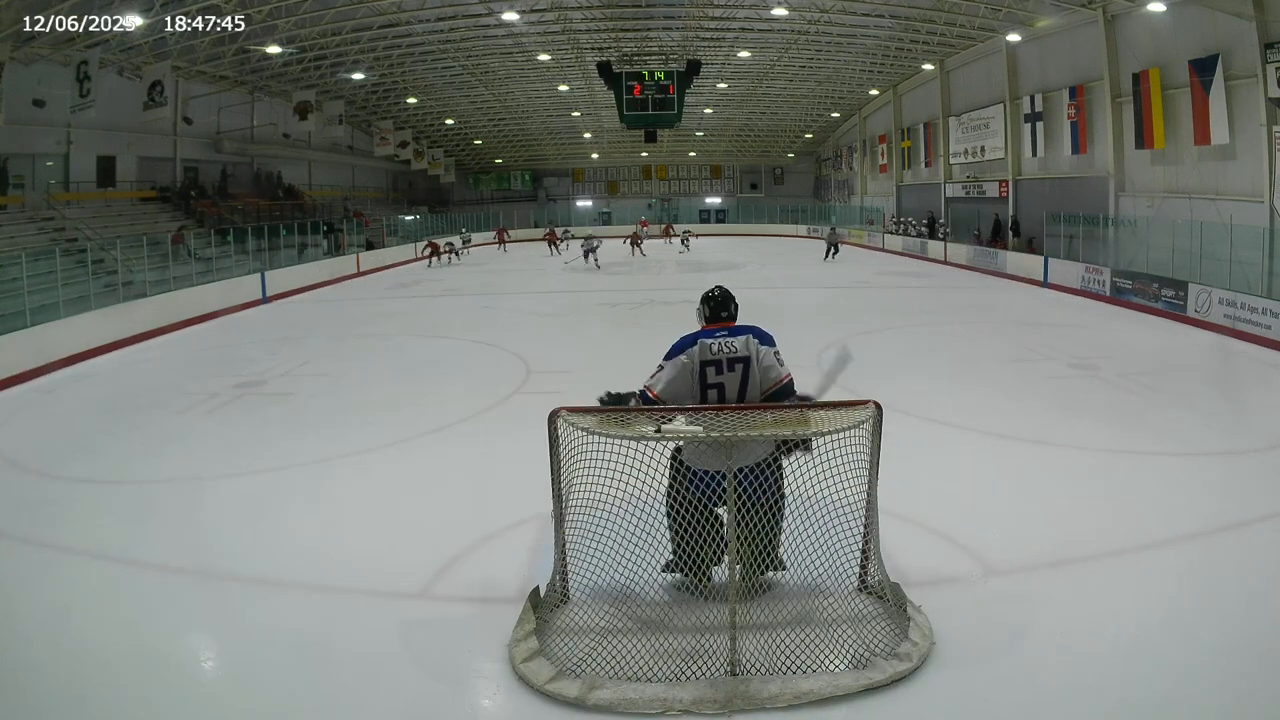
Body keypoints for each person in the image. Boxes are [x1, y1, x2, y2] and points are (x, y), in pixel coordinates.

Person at [596, 286, 812, 587]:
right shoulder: (759, 339)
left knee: (680, 474)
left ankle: (693, 558)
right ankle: (761, 554)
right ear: (734, 311)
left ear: (702, 315)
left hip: (703, 463)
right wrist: (796, 418)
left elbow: (654, 407)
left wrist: (624, 401)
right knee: (770, 470)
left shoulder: (688, 346)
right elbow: (783, 395)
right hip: (756, 460)